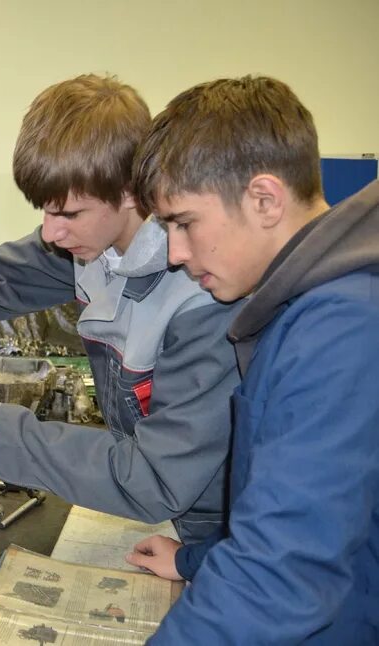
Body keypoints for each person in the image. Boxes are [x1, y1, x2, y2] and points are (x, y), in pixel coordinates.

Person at [0, 74, 240, 544]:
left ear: (132, 192)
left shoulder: (200, 298)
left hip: (218, 536)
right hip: (165, 525)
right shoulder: (90, 247)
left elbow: (155, 478)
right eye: (44, 212)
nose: (50, 234)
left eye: (69, 214)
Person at [125, 76, 379, 643]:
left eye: (183, 222)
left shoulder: (342, 329)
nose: (175, 252)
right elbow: (304, 509)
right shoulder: (301, 310)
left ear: (264, 199)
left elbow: (282, 575)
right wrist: (194, 562)